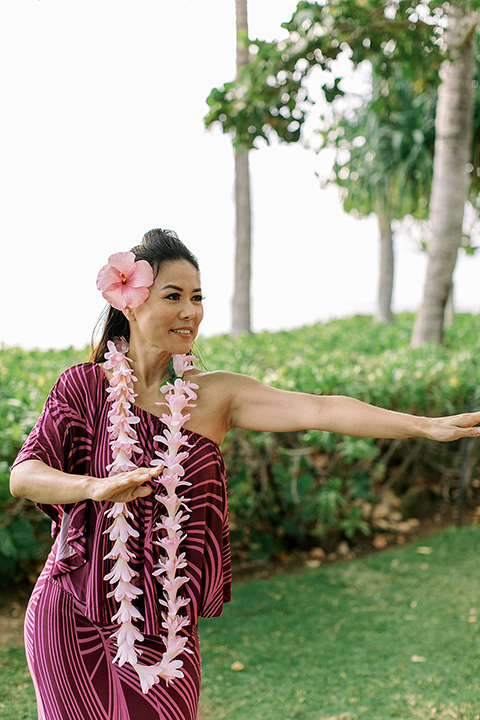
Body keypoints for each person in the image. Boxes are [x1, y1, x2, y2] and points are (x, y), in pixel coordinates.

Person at [10, 228, 480, 720]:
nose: (190, 311)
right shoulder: (85, 387)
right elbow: (25, 474)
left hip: (167, 631)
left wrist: (423, 426)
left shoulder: (216, 397)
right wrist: (97, 487)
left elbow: (321, 409)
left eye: (197, 297)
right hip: (74, 613)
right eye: (174, 296)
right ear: (130, 303)